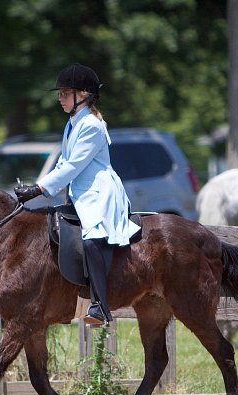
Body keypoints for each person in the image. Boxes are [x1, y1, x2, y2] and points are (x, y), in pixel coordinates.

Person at [14, 63, 140, 327]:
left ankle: (100, 307)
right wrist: (37, 185)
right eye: (60, 94)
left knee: (93, 239)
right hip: (80, 192)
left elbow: (73, 167)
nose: (60, 98)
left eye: (64, 93)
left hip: (99, 192)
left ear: (83, 94)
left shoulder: (92, 125)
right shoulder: (73, 123)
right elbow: (62, 164)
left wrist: (38, 190)